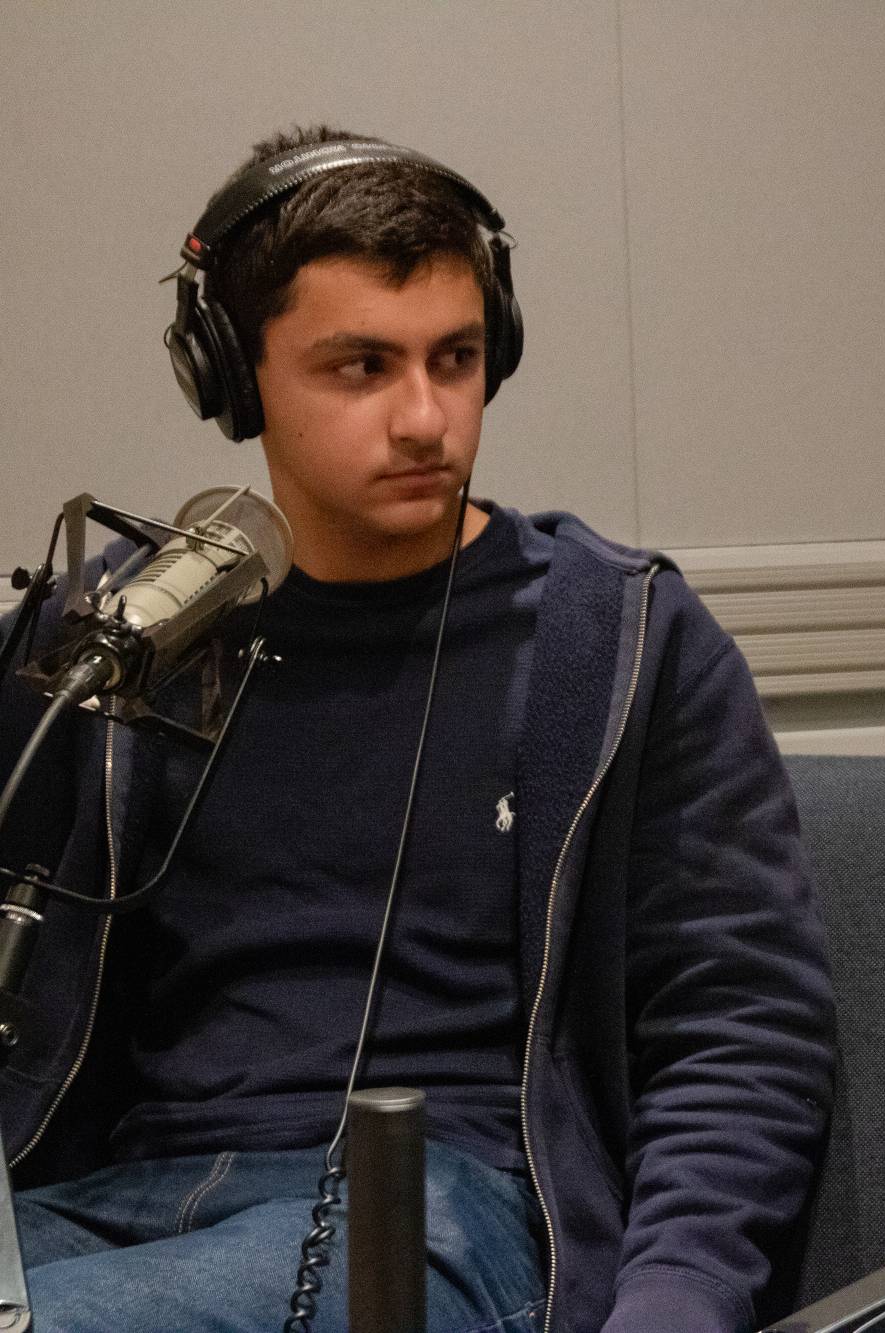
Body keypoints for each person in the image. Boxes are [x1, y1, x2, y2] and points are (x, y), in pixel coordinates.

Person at [0, 126, 836, 1331]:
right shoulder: (120, 636)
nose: (426, 417)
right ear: (235, 377)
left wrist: (682, 1297)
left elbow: (737, 1021)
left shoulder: (612, 642)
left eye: (456, 358)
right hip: (117, 1196)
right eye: (361, 367)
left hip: (446, 1207)